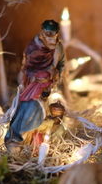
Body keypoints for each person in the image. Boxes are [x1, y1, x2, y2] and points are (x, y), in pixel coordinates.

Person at [5, 20, 64, 149]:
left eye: (54, 34)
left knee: (41, 109)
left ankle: (30, 140)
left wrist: (55, 75)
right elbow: (26, 66)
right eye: (48, 34)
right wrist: (38, 77)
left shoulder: (58, 47)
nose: (51, 38)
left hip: (47, 85)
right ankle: (17, 137)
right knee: (28, 107)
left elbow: (60, 65)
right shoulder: (33, 47)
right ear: (42, 33)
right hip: (32, 84)